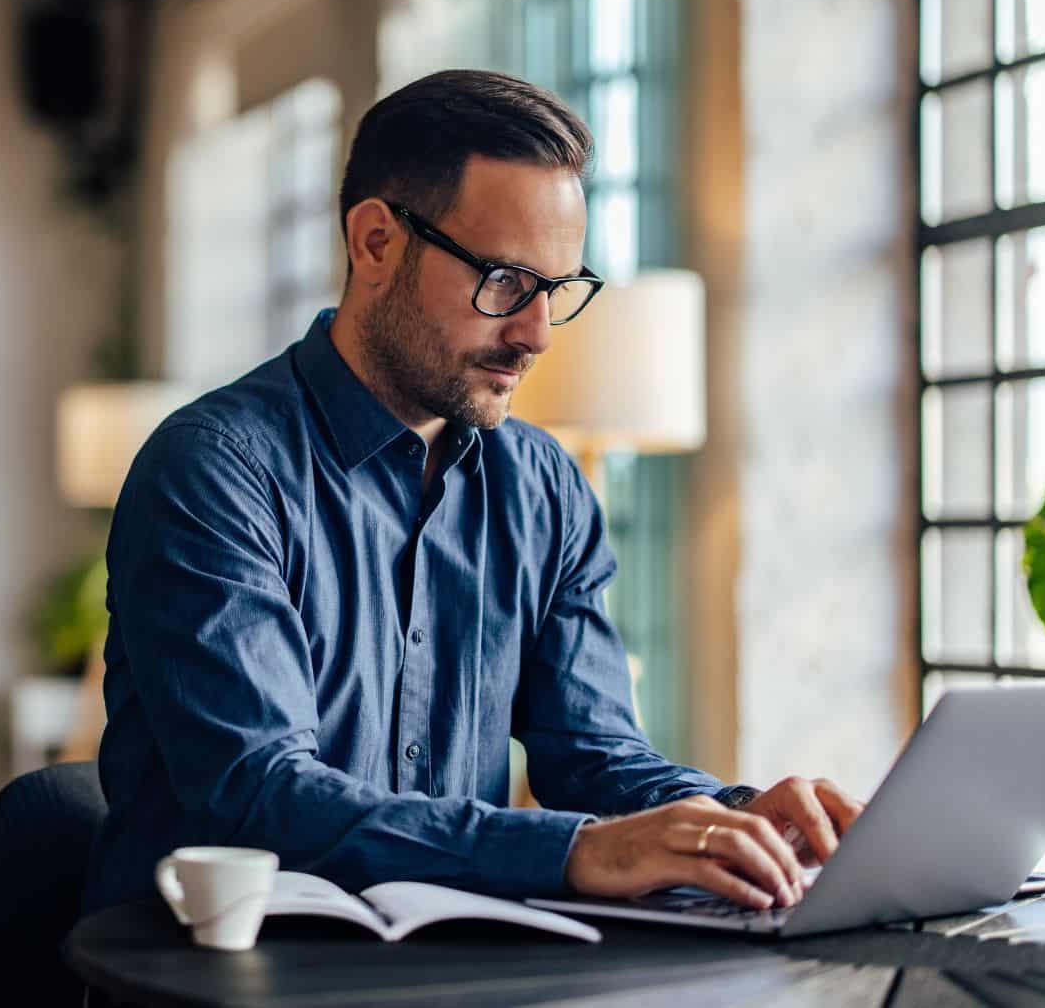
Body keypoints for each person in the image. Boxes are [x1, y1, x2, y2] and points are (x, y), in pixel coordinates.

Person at [85, 69, 861, 914]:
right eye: (504, 282)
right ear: (375, 243)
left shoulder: (545, 487)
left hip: (452, 966)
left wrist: (735, 817)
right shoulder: (212, 471)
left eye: (556, 291)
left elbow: (593, 754)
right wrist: (576, 850)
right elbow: (262, 798)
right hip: (217, 966)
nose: (536, 334)